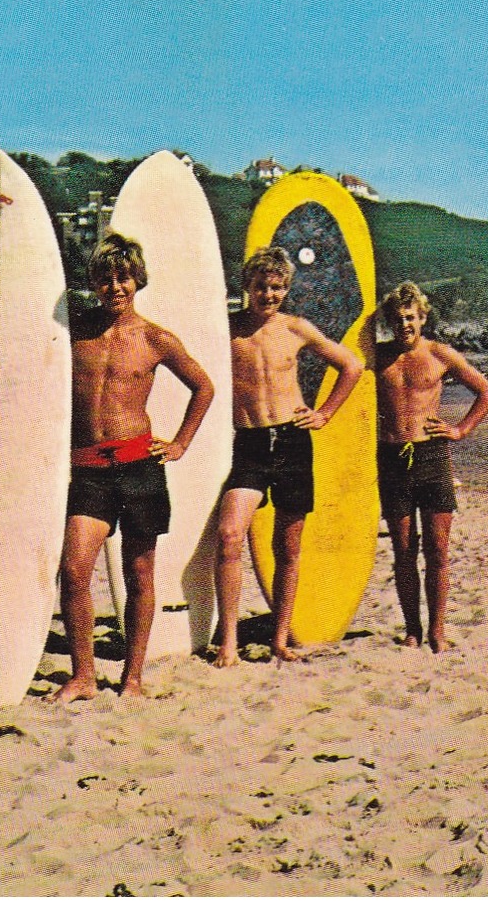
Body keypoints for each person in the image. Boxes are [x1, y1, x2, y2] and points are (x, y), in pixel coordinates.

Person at [49, 234, 215, 703]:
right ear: (95, 283)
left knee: (139, 575)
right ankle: (83, 676)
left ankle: (133, 677)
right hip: (89, 471)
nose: (114, 286)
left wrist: (181, 443)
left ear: (137, 280)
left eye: (123, 277)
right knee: (74, 569)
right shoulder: (75, 332)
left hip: (140, 468)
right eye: (105, 278)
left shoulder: (156, 339)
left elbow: (203, 387)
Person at [213, 246, 365, 666]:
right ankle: (228, 642)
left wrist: (325, 414)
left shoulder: (297, 328)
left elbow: (352, 365)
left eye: (277, 288)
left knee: (289, 546)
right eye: (261, 286)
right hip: (250, 443)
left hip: (293, 441)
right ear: (247, 286)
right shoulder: (226, 330)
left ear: (286, 289)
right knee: (229, 536)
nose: (269, 294)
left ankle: (279, 639)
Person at [372, 281, 488, 652]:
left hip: (432, 457)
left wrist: (461, 428)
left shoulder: (441, 354)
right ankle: (413, 629)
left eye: (410, 318)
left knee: (438, 550)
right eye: (397, 319)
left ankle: (437, 632)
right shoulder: (378, 356)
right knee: (403, 550)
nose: (404, 325)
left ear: (422, 317)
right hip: (392, 456)